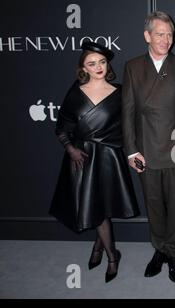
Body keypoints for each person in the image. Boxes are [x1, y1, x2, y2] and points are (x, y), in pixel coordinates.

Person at [49, 41, 140, 283]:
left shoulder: (120, 92)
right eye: (92, 63)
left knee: (103, 208)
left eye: (101, 62)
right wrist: (70, 149)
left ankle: (110, 256)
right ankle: (106, 251)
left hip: (109, 158)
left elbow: (130, 127)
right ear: (83, 68)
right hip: (83, 159)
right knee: (96, 208)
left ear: (107, 64)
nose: (98, 67)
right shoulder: (75, 92)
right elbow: (61, 127)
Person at [122, 11, 175, 283]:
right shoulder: (133, 67)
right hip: (147, 150)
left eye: (170, 34)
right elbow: (128, 112)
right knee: (153, 204)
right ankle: (160, 251)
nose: (167, 40)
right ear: (147, 36)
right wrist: (132, 150)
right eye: (160, 34)